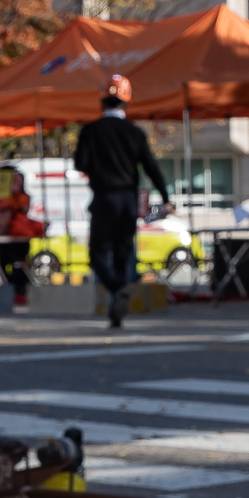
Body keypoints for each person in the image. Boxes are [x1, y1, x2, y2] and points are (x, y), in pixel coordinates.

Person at [72, 75, 168, 328]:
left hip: (104, 198)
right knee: (123, 250)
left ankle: (116, 289)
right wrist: (166, 197)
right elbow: (151, 166)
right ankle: (119, 294)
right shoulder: (134, 133)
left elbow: (80, 163)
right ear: (127, 101)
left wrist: (97, 164)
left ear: (102, 101)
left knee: (98, 252)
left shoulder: (90, 131)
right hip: (128, 198)